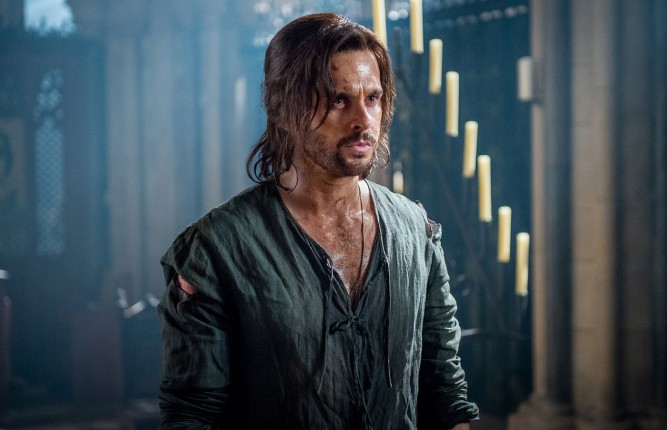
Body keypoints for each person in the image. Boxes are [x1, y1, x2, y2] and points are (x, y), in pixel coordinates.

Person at [157, 12, 479, 429]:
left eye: (373, 98)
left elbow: (445, 391)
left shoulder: (415, 231)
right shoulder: (216, 248)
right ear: (282, 108)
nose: (363, 121)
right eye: (338, 100)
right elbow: (193, 414)